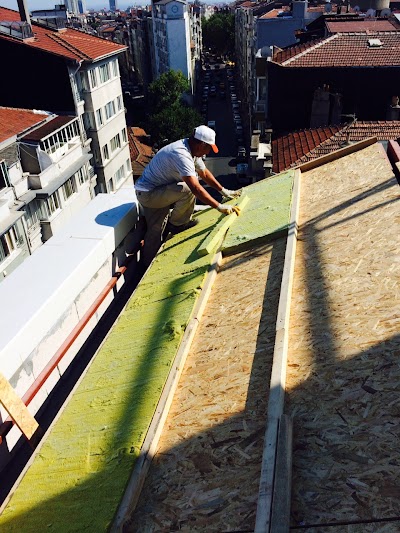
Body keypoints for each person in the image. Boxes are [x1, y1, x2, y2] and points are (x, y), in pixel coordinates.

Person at [135, 125, 242, 267]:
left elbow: (204, 173)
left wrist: (223, 191)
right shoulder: (181, 154)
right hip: (149, 194)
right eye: (208, 148)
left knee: (156, 227)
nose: (209, 152)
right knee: (186, 191)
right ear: (201, 144)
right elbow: (196, 188)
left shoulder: (191, 149)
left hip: (157, 189)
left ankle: (151, 257)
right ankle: (176, 226)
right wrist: (219, 206)